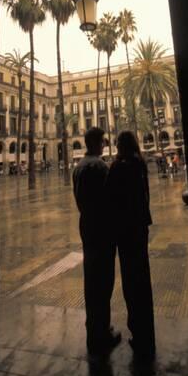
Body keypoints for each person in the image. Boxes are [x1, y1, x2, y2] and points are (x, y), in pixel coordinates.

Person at [105, 130, 156, 359]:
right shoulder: (140, 164)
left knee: (131, 280)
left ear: (120, 146)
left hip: (125, 231)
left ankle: (138, 332)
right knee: (142, 279)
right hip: (140, 228)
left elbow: (109, 196)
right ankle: (147, 333)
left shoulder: (119, 167)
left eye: (116, 144)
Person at [72, 127, 121, 356]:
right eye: (102, 141)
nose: (104, 144)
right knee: (103, 281)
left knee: (91, 280)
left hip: (86, 225)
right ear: (96, 143)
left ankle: (93, 330)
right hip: (102, 227)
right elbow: (110, 198)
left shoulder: (78, 167)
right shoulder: (99, 166)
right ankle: (102, 333)